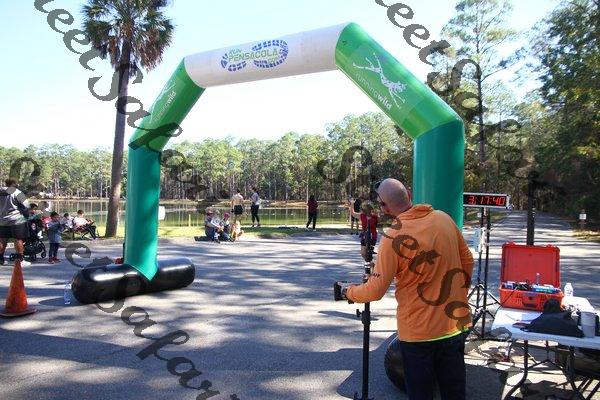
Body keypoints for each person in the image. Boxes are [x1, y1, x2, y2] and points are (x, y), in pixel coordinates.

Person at [345, 178, 474, 400]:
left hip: (418, 335)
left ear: (384, 207)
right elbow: (467, 260)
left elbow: (375, 290)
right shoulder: (444, 219)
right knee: (455, 393)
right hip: (454, 325)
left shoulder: (392, 237)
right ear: (409, 193)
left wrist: (349, 291)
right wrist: (459, 294)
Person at [0, 178, 31, 266]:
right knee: (18, 239)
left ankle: (0, 259)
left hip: (2, 220)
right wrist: (26, 216)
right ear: (14, 184)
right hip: (17, 220)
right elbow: (26, 206)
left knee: (2, 239)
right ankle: (20, 260)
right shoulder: (17, 192)